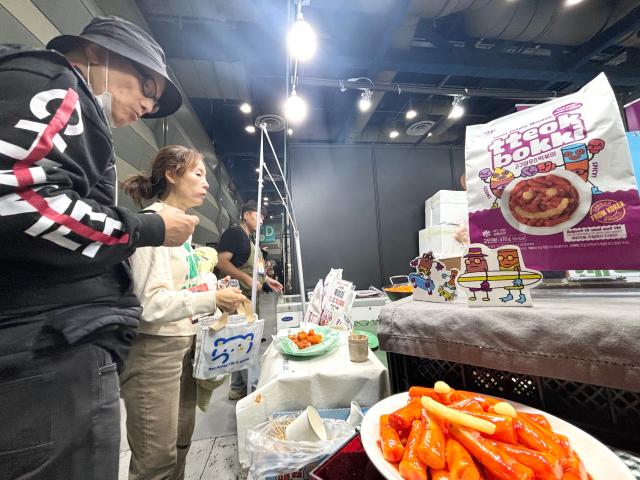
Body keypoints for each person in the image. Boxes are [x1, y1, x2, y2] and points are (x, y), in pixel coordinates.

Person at [0, 16, 199, 480]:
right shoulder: (56, 84)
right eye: (144, 84)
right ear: (96, 53)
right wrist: (145, 228)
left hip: (60, 342)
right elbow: (19, 197)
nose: (148, 104)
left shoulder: (76, 114)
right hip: (50, 345)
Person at [120, 145, 245, 480]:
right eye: (198, 174)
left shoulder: (182, 231)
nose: (206, 184)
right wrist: (212, 299)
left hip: (183, 348)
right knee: (155, 458)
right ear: (172, 175)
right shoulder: (153, 226)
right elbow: (150, 304)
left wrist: (213, 289)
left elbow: (181, 289)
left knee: (180, 443)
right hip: (154, 353)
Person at [216, 200, 284, 400]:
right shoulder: (235, 234)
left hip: (249, 296)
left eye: (263, 217)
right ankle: (254, 390)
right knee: (246, 341)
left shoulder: (250, 238)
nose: (261, 219)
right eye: (258, 215)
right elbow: (222, 262)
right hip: (238, 298)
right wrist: (246, 278)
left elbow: (254, 269)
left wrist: (267, 279)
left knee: (240, 342)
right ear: (246, 215)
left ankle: (237, 386)